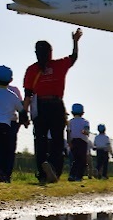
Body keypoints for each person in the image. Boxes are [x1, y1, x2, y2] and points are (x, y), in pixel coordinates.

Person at [23, 28, 82, 183]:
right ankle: (54, 168)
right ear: (50, 52)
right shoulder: (59, 65)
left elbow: (28, 95)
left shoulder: (31, 70)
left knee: (40, 140)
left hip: (40, 107)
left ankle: (42, 172)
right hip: (56, 105)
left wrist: (24, 112)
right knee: (57, 140)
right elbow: (74, 57)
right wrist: (75, 42)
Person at [67, 103, 90, 182]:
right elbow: (86, 131)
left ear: (72, 112)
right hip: (82, 142)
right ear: (82, 112)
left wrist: (69, 142)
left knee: (75, 159)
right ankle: (78, 176)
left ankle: (72, 175)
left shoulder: (70, 122)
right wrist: (85, 132)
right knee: (82, 160)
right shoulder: (85, 122)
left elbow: (68, 132)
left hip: (73, 141)